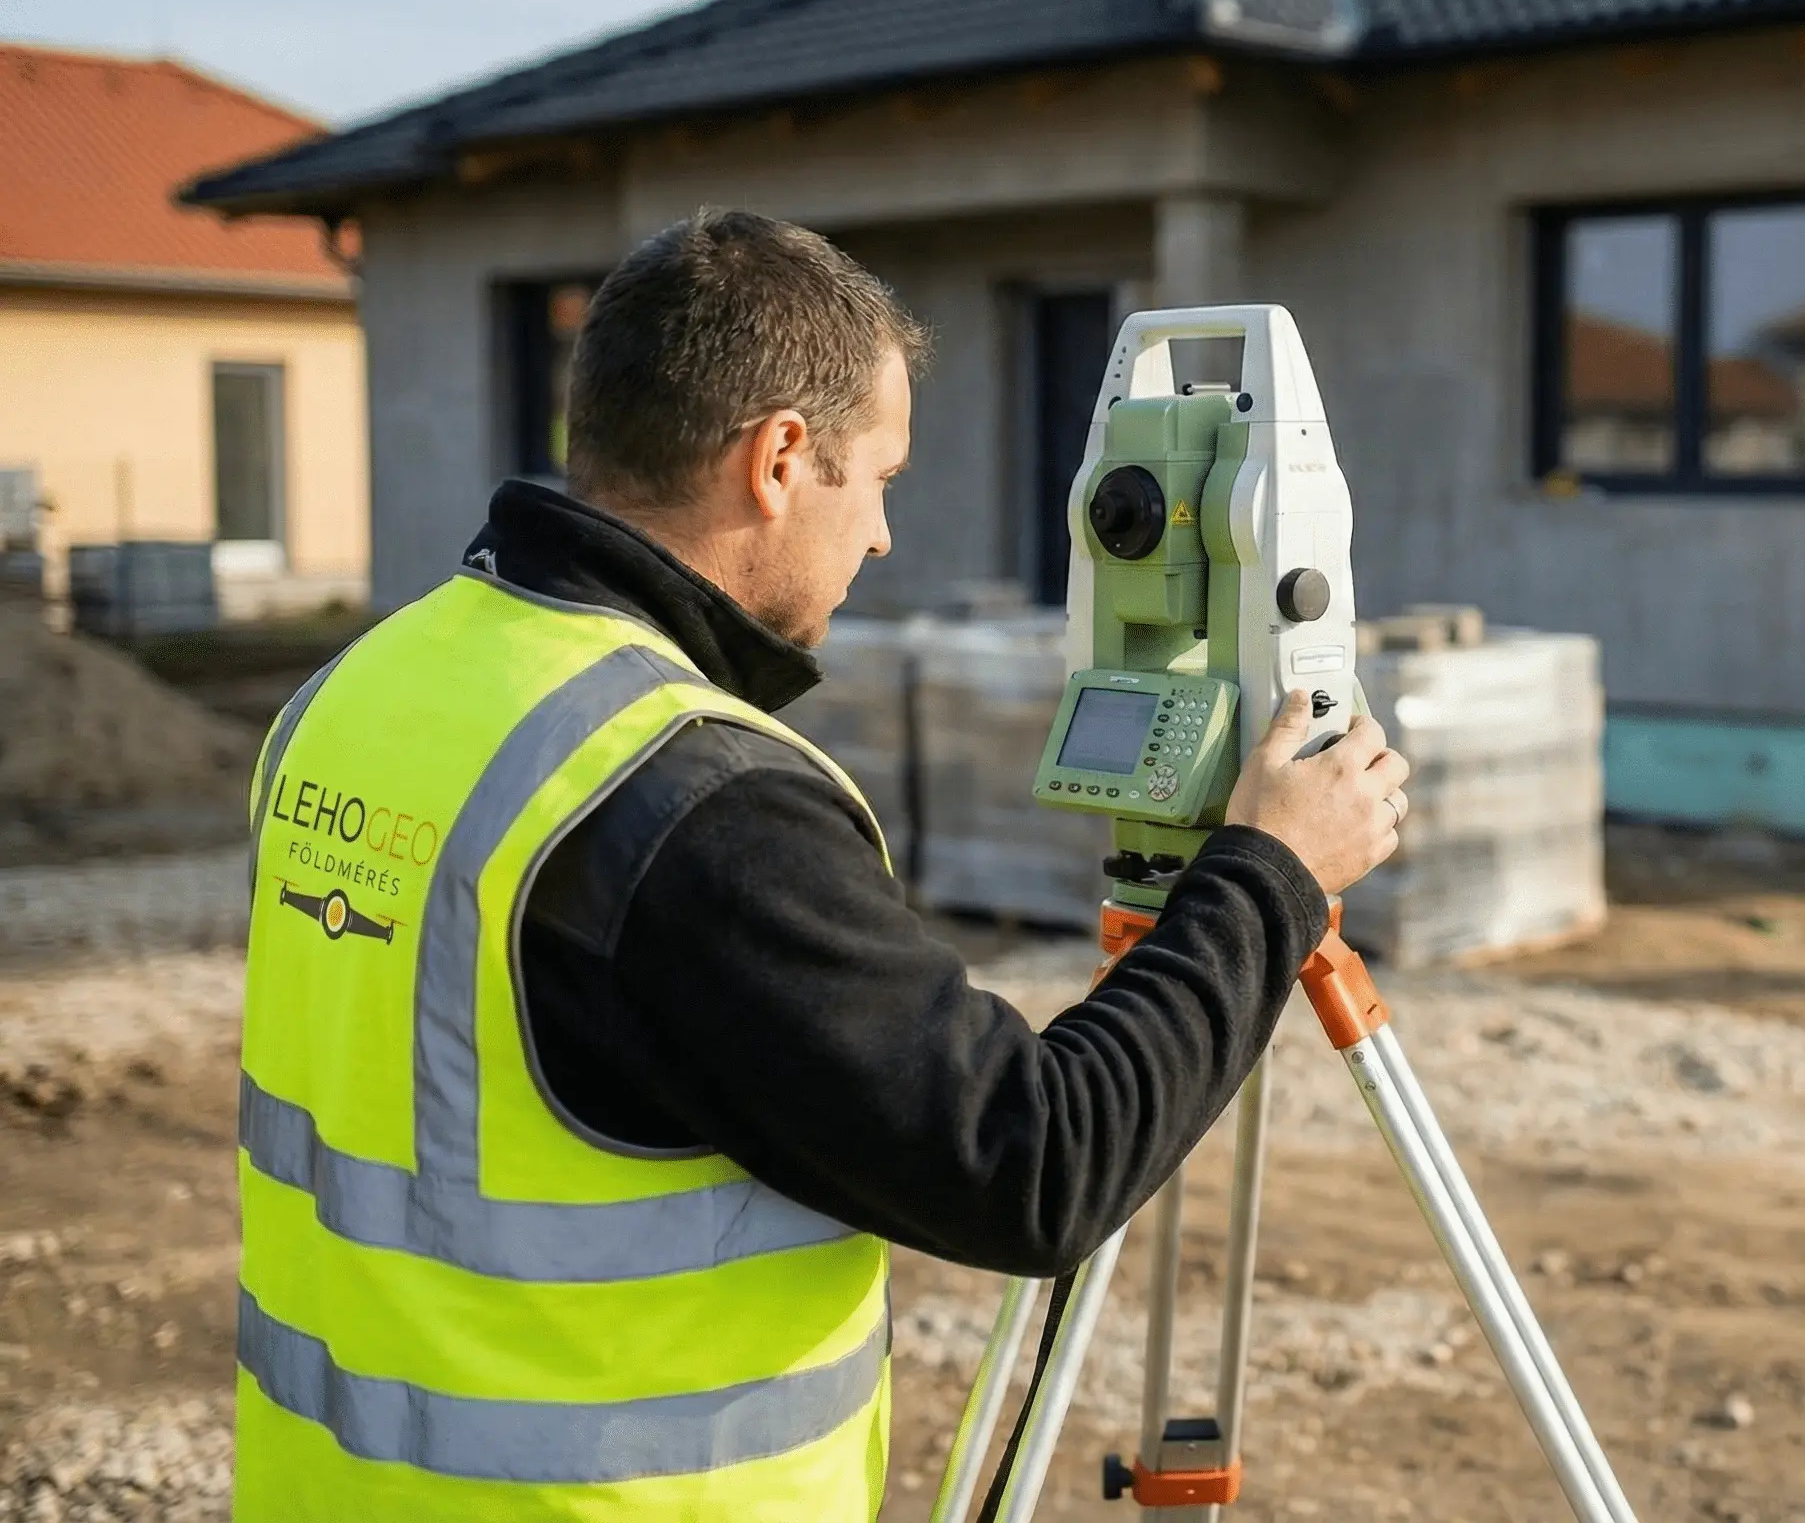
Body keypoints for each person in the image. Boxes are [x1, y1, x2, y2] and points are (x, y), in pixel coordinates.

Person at [232, 210, 1411, 1518]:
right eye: (882, 481)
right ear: (781, 460)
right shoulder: (692, 804)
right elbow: (1030, 1167)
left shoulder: (359, 689)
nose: (884, 539)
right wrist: (1269, 871)